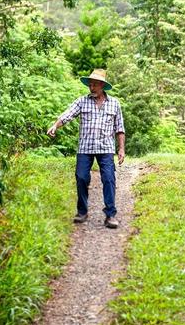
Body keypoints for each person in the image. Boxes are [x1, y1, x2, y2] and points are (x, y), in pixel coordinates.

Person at [47, 69, 126, 229]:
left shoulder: (114, 104)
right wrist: (55, 125)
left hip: (106, 148)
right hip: (85, 147)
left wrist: (121, 149)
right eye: (90, 85)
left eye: (95, 85)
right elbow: (67, 114)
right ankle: (82, 212)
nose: (92, 88)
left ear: (102, 85)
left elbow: (120, 128)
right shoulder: (82, 101)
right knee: (81, 177)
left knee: (109, 179)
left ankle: (110, 215)